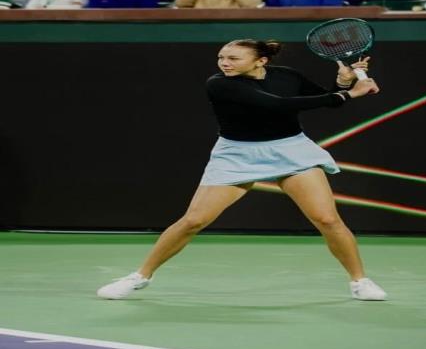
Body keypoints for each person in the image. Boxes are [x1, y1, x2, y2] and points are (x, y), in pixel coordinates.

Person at [97, 39, 388, 302]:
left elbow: (325, 99)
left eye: (233, 58)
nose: (224, 63)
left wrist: (343, 83)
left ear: (261, 60)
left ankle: (359, 281)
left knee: (327, 219)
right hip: (236, 155)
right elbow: (277, 105)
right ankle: (140, 277)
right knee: (193, 221)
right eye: (222, 57)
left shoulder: (288, 76)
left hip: (291, 150)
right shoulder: (219, 84)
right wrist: (350, 94)